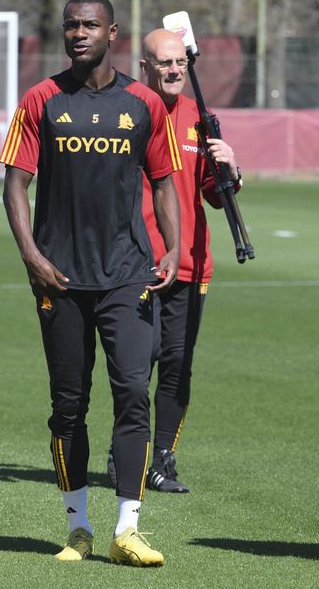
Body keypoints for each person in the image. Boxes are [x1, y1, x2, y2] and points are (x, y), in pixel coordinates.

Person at [0, 0, 181, 567]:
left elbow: (163, 181)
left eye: (90, 25)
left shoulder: (144, 103)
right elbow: (15, 184)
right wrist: (32, 256)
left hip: (129, 274)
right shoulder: (41, 99)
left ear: (112, 33)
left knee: (132, 393)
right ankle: (77, 526)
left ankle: (128, 528)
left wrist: (173, 247)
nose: (79, 34)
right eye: (71, 25)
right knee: (68, 404)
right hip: (60, 278)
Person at [106, 28, 241, 494]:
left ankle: (162, 457)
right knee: (137, 365)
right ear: (144, 66)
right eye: (164, 62)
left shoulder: (199, 117)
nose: (174, 70)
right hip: (137, 262)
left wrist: (230, 168)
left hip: (191, 263)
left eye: (180, 62)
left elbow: (216, 195)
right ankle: (127, 450)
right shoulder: (126, 109)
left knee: (178, 366)